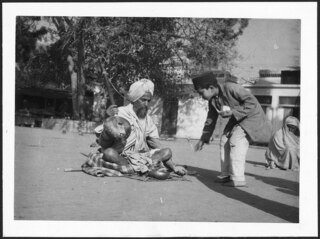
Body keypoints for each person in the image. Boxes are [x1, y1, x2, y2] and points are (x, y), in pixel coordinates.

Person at [192, 71, 272, 187]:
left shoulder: (232, 88)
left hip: (252, 118)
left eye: (201, 93)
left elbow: (252, 104)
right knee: (224, 140)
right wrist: (203, 138)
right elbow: (211, 119)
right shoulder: (213, 100)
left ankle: (238, 178)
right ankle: (226, 175)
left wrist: (232, 112)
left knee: (236, 141)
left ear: (210, 88)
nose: (201, 97)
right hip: (237, 120)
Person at [94, 78, 187, 177]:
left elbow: (156, 144)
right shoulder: (120, 112)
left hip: (141, 156)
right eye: (143, 100)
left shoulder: (148, 120)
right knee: (109, 153)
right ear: (134, 99)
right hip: (122, 156)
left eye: (148, 101)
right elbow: (102, 140)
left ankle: (137, 168)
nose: (146, 104)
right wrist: (109, 117)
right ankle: (139, 168)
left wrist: (174, 166)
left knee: (167, 151)